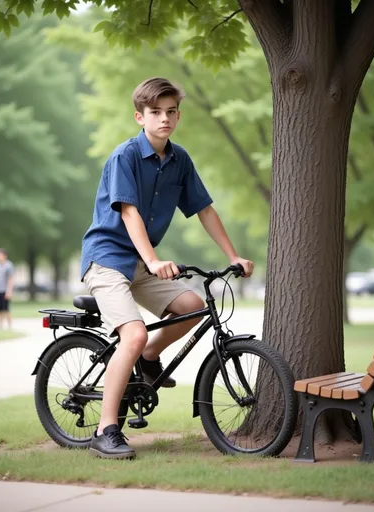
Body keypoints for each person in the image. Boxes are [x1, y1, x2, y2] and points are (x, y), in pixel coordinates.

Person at [81, 77, 254, 460]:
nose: (165, 119)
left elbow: (204, 209)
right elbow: (129, 212)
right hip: (107, 259)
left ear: (178, 115)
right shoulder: (124, 156)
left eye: (171, 111)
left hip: (141, 262)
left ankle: (147, 360)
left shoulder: (180, 160)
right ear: (139, 117)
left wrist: (233, 255)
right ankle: (106, 430)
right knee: (134, 334)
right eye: (156, 112)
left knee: (192, 304)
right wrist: (155, 260)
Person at [0, 248, 14, 329]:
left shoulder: (9, 265)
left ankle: (9, 327)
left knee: (6, 309)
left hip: (5, 290)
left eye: (0, 255)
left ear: (5, 256)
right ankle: (0, 327)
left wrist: (9, 291)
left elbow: (10, 279)